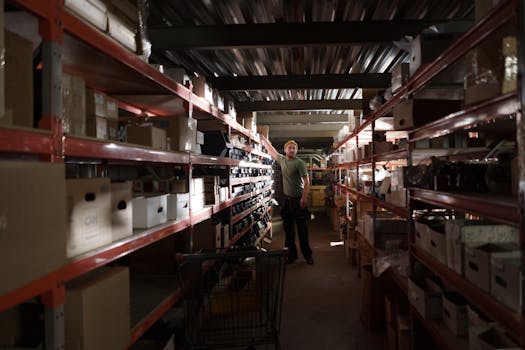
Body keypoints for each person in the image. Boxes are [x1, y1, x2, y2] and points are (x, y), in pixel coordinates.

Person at [263, 138, 313, 265]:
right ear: (285, 150)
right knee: (289, 232)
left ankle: (307, 256)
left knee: (302, 231)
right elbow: (272, 151)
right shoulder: (282, 160)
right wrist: (263, 139)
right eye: (290, 148)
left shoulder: (299, 163)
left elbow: (307, 182)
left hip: (298, 201)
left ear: (296, 150)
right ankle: (291, 256)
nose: (292, 149)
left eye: (294, 148)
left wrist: (304, 198)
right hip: (286, 201)